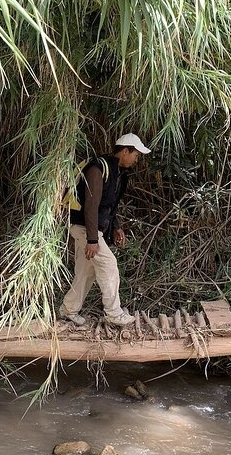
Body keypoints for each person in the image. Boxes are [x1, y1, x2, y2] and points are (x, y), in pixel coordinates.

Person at [59, 133, 151, 327]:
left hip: (91, 229)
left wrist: (116, 227)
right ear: (126, 151)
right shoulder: (98, 168)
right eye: (136, 154)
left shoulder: (117, 173)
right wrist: (93, 240)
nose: (137, 158)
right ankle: (114, 313)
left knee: (86, 272)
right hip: (84, 228)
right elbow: (91, 206)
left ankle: (68, 310)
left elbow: (108, 206)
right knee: (109, 265)